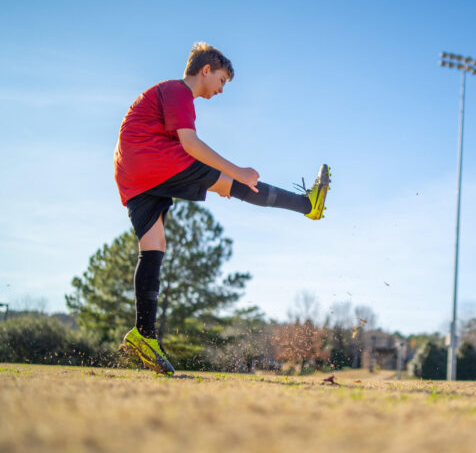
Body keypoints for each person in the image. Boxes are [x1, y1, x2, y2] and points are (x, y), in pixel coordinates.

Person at [114, 42, 330, 375]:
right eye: (222, 81)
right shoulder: (177, 91)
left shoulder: (168, 96)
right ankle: (308, 205)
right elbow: (190, 144)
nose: (221, 89)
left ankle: (144, 334)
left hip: (132, 173)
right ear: (206, 70)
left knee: (154, 245)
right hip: (152, 160)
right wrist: (235, 172)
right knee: (236, 184)